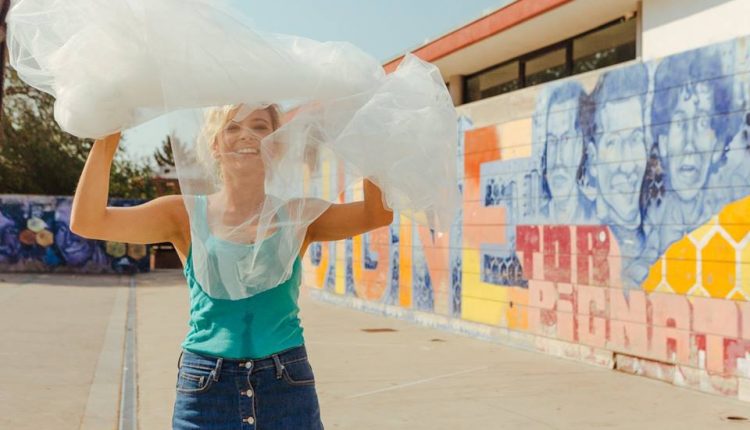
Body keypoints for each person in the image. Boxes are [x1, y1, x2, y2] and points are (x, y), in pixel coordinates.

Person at [70, 104, 393, 429]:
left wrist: (370, 141)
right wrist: (108, 134)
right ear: (214, 143)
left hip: (287, 385)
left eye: (260, 126)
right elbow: (88, 221)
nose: (247, 135)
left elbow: (377, 214)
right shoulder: (183, 215)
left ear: (277, 143)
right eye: (232, 127)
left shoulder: (298, 215)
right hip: (205, 388)